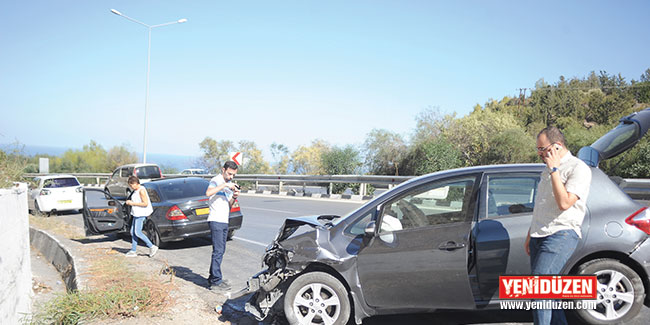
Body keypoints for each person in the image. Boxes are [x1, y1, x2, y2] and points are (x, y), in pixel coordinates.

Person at [525, 126, 591, 325]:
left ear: (557, 146)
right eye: (538, 149)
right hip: (540, 235)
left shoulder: (578, 168)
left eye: (542, 149)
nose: (540, 154)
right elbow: (542, 205)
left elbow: (564, 203)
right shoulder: (546, 170)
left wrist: (555, 170)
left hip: (561, 235)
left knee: (539, 290)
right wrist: (531, 234)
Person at [205, 161, 240, 291]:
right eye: (229, 174)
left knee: (220, 250)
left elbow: (228, 206)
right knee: (218, 251)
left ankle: (213, 277)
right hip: (216, 220)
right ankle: (215, 281)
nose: (231, 177)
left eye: (233, 175)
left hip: (224, 220)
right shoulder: (216, 180)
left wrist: (234, 197)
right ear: (223, 169)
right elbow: (208, 193)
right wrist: (225, 185)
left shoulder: (227, 186)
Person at [124, 176, 158, 258]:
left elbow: (145, 203)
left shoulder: (141, 191)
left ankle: (152, 246)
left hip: (141, 214)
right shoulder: (136, 190)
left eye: (131, 185)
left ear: (135, 183)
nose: (131, 187)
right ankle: (133, 250)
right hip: (136, 213)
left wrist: (132, 203)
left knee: (137, 232)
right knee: (133, 232)